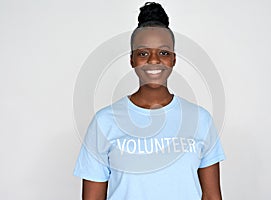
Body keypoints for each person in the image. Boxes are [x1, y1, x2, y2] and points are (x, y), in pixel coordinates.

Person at [74, 2, 225, 200]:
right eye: (143, 53)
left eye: (163, 53)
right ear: (132, 60)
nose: (154, 60)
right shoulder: (104, 122)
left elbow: (212, 196)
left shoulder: (200, 119)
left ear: (173, 59)